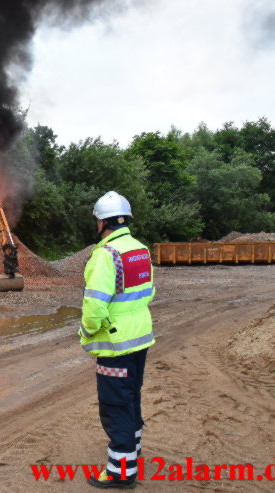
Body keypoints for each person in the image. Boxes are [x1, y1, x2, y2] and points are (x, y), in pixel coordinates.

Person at [80, 191, 155, 489]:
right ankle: (133, 452)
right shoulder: (140, 249)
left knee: (115, 404)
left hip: (115, 344)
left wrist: (87, 331)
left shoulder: (106, 254)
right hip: (139, 338)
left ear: (101, 222)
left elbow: (95, 305)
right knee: (131, 396)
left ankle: (121, 472)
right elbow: (149, 292)